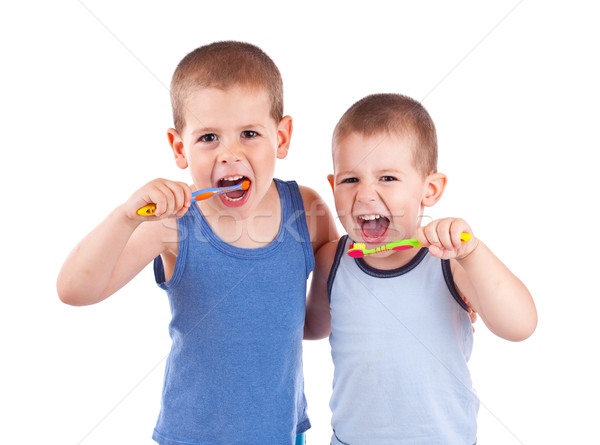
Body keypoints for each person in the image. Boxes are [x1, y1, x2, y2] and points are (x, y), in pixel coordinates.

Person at [57, 41, 336, 445]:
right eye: (208, 137)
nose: (230, 155)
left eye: (250, 134)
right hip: (191, 437)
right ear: (178, 147)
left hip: (284, 434)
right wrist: (125, 216)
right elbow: (73, 290)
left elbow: (315, 322)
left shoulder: (307, 210)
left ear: (282, 137)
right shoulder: (171, 224)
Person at [304, 93, 537, 445]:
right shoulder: (331, 262)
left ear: (429, 189)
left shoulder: (450, 261)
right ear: (333, 185)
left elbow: (521, 326)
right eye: (350, 180)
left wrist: (472, 253)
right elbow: (310, 328)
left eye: (387, 178)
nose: (366, 195)